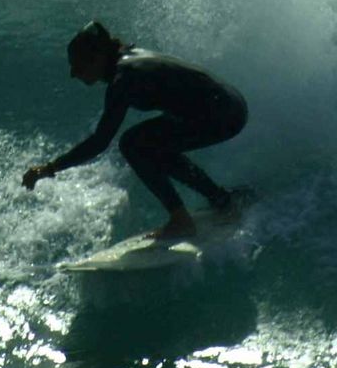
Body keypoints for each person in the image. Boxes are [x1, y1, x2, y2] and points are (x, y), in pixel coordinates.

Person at [22, 21, 248, 239]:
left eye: (78, 65)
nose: (73, 73)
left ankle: (181, 220)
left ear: (98, 57)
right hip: (230, 104)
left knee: (133, 145)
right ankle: (221, 201)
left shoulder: (123, 79)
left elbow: (100, 142)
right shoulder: (128, 60)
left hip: (223, 114)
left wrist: (50, 168)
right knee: (148, 144)